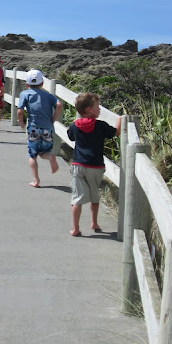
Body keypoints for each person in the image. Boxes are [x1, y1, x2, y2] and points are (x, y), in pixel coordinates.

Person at [67, 93, 121, 237]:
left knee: (77, 199)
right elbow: (116, 133)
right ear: (89, 109)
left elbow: (70, 136)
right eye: (97, 106)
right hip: (95, 166)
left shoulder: (75, 125)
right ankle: (94, 222)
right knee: (94, 196)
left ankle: (75, 228)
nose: (100, 109)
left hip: (78, 165)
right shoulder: (100, 125)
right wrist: (120, 120)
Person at [17, 69, 62, 188]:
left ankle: (36, 180)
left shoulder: (25, 94)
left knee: (33, 155)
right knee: (44, 152)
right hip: (47, 128)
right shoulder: (48, 96)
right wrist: (53, 119)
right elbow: (59, 105)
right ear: (42, 83)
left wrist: (22, 124)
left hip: (33, 128)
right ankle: (50, 157)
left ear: (27, 84)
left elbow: (20, 112)